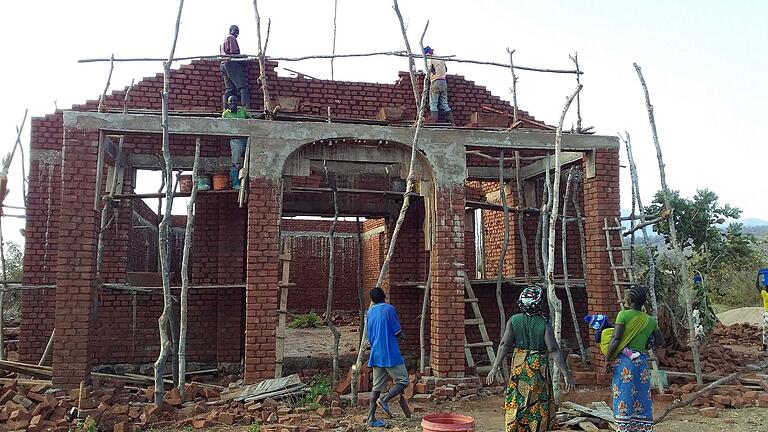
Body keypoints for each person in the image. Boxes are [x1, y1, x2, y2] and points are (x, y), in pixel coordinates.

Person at [486, 286, 574, 432]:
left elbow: (504, 344)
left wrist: (495, 367)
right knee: (537, 402)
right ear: (539, 303)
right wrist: (566, 373)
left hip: (519, 366)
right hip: (537, 368)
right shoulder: (544, 324)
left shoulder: (513, 321)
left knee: (517, 398)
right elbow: (553, 349)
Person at [605, 286, 665, 432]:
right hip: (642, 364)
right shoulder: (650, 321)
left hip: (625, 362)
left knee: (624, 396)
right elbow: (660, 341)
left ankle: (624, 428)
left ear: (630, 300)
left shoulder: (623, 315)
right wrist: (648, 340)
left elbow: (616, 339)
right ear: (644, 302)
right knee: (641, 396)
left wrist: (608, 359)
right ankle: (641, 427)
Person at [365, 287, 411, 428]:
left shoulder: (370, 312)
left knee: (376, 387)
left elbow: (369, 334)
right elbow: (396, 331)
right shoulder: (389, 309)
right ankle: (384, 400)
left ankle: (371, 419)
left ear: (372, 300)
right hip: (390, 353)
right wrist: (403, 335)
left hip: (376, 353)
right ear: (384, 296)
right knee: (403, 381)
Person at [221, 96, 250, 189]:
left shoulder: (242, 110)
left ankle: (248, 183)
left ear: (237, 102)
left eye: (234, 101)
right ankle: (236, 184)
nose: (232, 103)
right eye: (230, 101)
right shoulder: (225, 114)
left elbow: (251, 119)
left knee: (250, 162)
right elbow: (225, 128)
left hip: (247, 139)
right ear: (228, 103)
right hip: (236, 140)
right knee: (236, 163)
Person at [220, 25, 251, 109]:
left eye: (238, 32)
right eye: (235, 31)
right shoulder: (231, 38)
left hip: (223, 64)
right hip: (231, 63)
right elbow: (234, 53)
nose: (237, 33)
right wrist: (244, 58)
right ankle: (246, 109)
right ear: (230, 30)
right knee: (242, 87)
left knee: (230, 89)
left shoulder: (223, 41)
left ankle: (226, 109)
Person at [423, 46, 454, 125]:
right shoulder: (441, 58)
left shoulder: (429, 59)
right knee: (444, 103)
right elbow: (446, 69)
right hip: (443, 81)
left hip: (435, 81)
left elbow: (428, 70)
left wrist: (427, 75)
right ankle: (451, 122)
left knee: (433, 103)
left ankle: (434, 121)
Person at [757, 270, 768, 351]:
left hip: (767, 315)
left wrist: (758, 276)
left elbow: (757, 285)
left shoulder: (765, 294)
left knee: (765, 332)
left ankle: (764, 347)